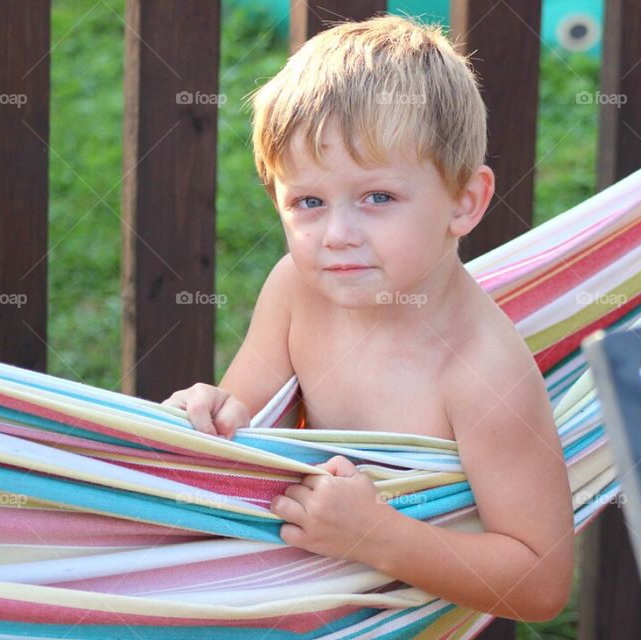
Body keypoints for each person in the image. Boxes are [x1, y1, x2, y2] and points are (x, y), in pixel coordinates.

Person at [163, 14, 574, 622]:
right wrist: (206, 412)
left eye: (377, 198)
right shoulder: (297, 290)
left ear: (465, 202)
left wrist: (376, 537)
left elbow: (540, 583)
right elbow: (239, 421)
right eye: (308, 202)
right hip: (288, 595)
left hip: (399, 617)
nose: (337, 235)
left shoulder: (483, 371)